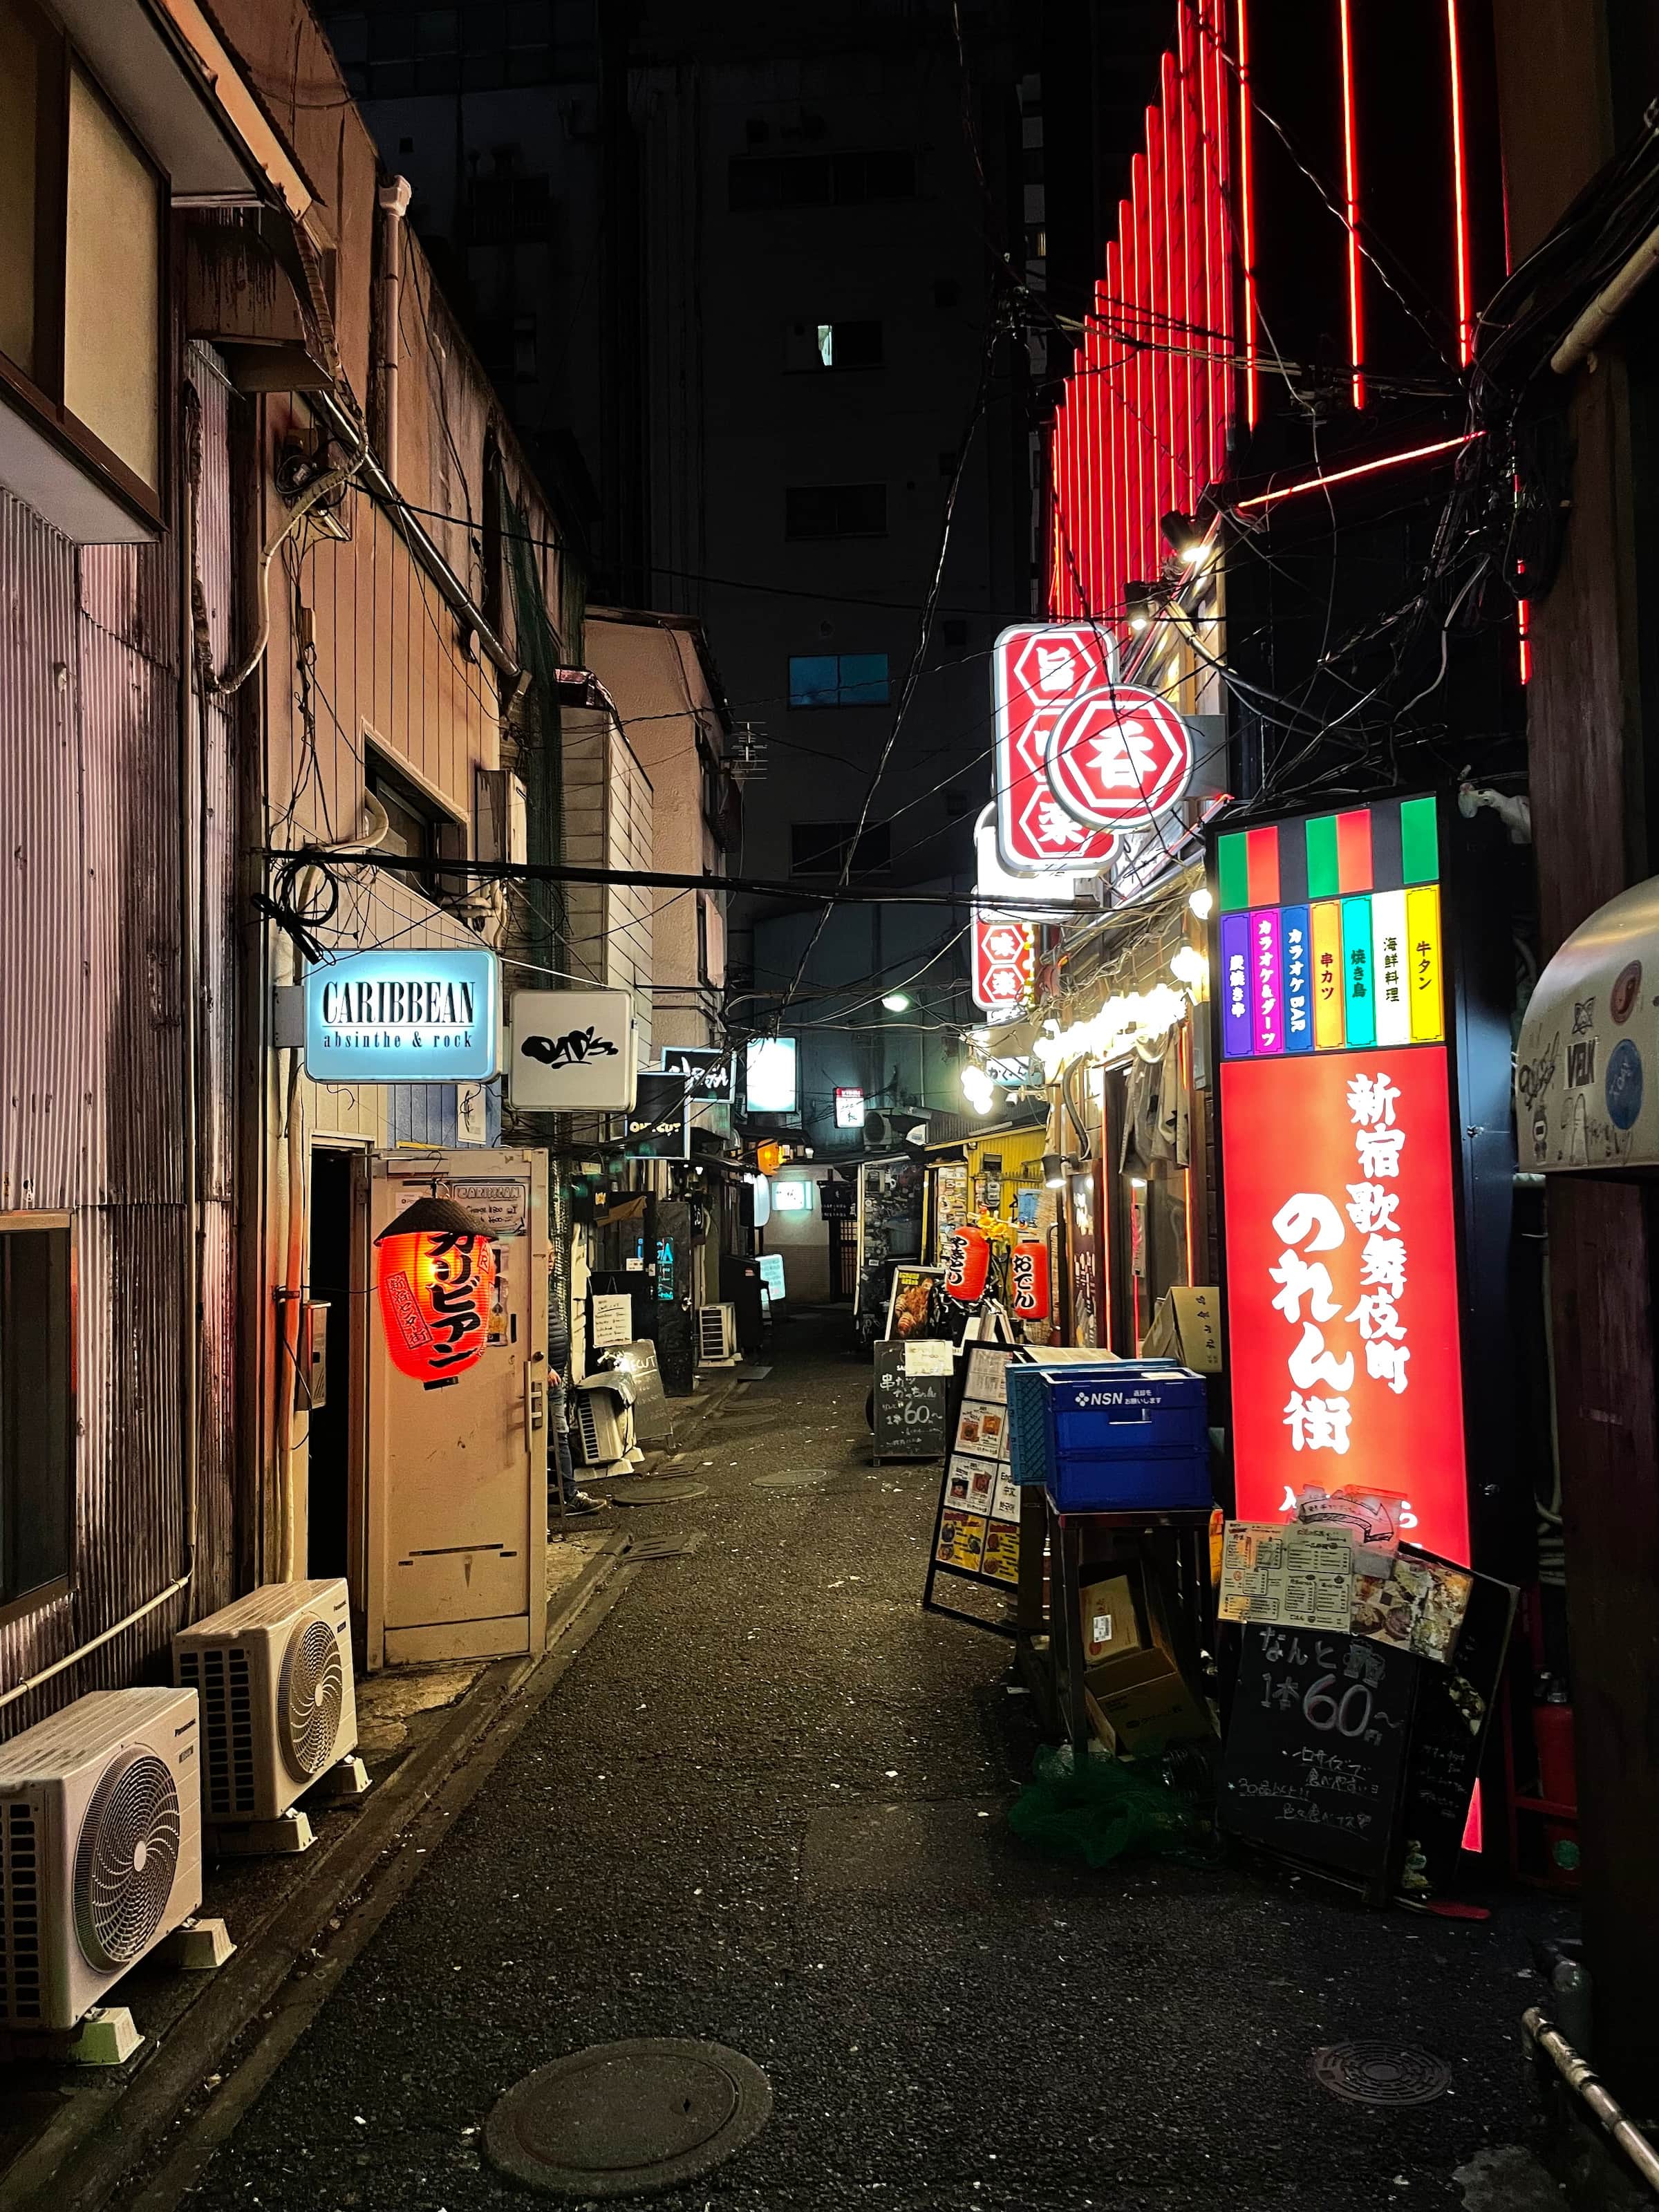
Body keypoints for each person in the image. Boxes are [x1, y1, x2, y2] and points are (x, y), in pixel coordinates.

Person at [549, 1260, 605, 1519]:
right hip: (544, 1378)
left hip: (555, 1377)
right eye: (545, 1255)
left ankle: (565, 1493)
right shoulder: (525, 1288)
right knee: (558, 1436)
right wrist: (544, 1366)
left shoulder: (547, 1289)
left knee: (558, 1435)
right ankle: (569, 1496)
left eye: (552, 1256)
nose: (550, 1261)